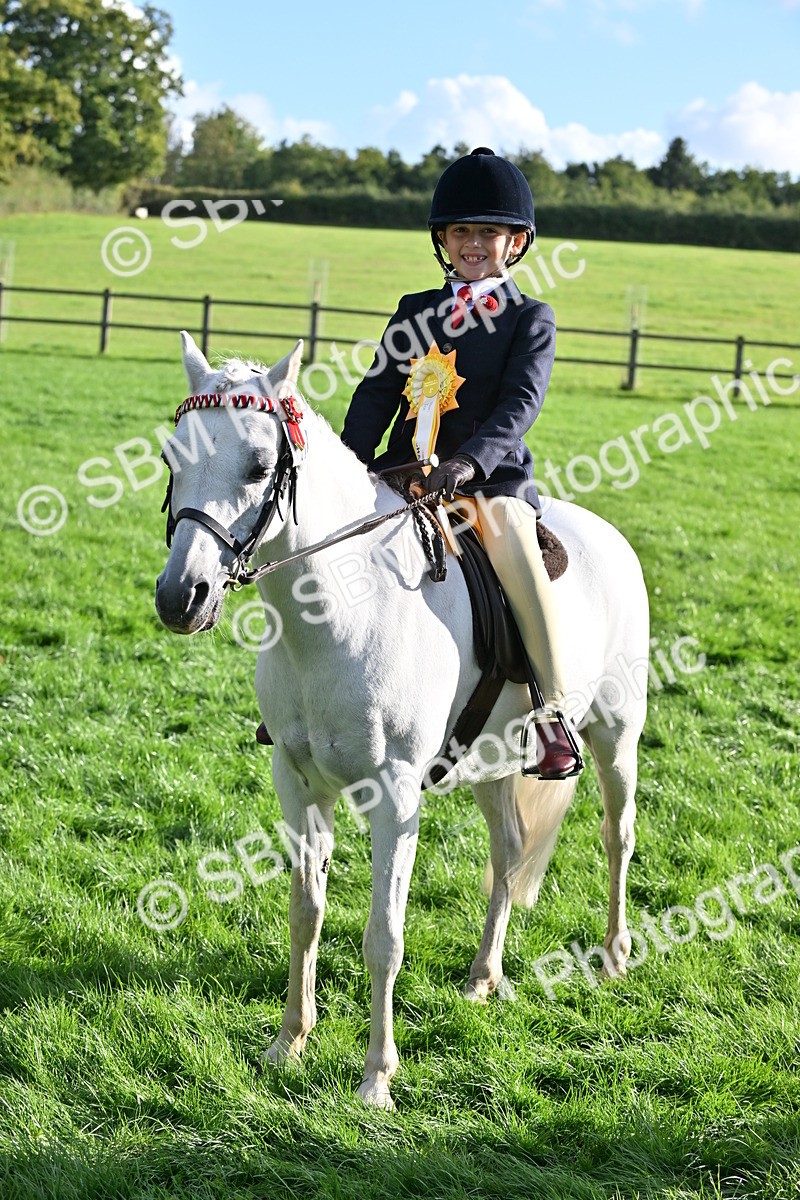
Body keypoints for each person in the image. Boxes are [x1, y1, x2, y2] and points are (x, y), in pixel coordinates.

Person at [340, 146, 582, 780]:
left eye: (488, 232)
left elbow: (519, 405)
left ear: (516, 243)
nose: (473, 243)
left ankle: (552, 712)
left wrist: (470, 464)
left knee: (510, 538)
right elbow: (375, 391)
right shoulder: (415, 310)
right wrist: (347, 463)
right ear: (443, 239)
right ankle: (312, 696)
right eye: (461, 231)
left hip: (487, 482)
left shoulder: (530, 319)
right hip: (403, 475)